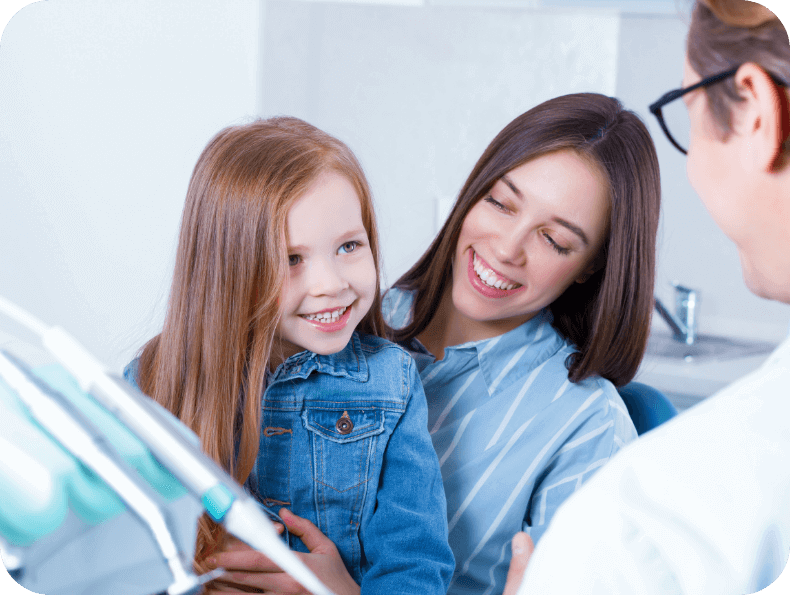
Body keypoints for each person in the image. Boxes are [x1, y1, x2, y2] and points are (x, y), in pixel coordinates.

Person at [505, 1, 790, 593]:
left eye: (684, 114)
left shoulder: (637, 533)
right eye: (501, 203)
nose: (508, 248)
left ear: (757, 112)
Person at [124, 117, 455, 594]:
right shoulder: (154, 381)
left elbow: (415, 567)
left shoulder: (393, 382)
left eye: (348, 246)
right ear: (229, 269)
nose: (332, 284)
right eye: (291, 260)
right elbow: (121, 558)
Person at [381, 92, 660, 594]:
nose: (508, 249)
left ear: (592, 265)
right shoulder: (351, 321)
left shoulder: (588, 427)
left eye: (554, 240)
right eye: (501, 203)